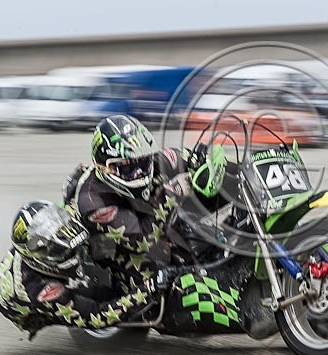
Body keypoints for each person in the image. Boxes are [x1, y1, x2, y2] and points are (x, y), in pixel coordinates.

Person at [61, 115, 226, 302]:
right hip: (109, 247)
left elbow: (186, 158)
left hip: (138, 217)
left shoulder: (151, 161)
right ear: (105, 168)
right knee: (165, 278)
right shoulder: (93, 202)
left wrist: (203, 161)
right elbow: (141, 240)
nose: (139, 172)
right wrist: (172, 194)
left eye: (142, 162)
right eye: (128, 167)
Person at [0, 200, 154, 338]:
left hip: (28, 263)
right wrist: (148, 289)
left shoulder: (48, 230)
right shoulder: (41, 290)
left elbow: (72, 205)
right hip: (29, 310)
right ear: (38, 256)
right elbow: (97, 317)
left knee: (94, 242)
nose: (68, 251)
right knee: (95, 293)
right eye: (56, 249)